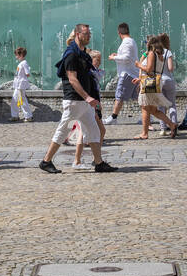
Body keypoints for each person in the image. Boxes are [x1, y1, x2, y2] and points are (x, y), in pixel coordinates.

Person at [40, 23, 117, 173]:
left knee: (94, 130)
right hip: (74, 100)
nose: (88, 36)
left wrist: (90, 100)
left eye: (89, 34)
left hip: (84, 103)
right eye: (86, 34)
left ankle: (99, 162)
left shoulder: (83, 54)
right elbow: (72, 79)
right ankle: (46, 161)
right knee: (63, 130)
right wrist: (88, 97)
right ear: (77, 34)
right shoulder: (71, 54)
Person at [135, 36, 178, 139]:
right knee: (154, 110)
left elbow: (149, 69)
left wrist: (138, 65)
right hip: (155, 82)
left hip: (148, 83)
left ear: (150, 44)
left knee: (145, 107)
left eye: (147, 42)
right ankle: (172, 125)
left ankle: (144, 133)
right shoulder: (160, 55)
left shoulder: (151, 54)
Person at [72, 50, 106, 167]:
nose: (99, 63)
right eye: (98, 60)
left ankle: (88, 159)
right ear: (91, 60)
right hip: (90, 105)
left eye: (100, 60)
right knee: (97, 131)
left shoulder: (91, 72)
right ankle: (94, 159)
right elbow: (91, 91)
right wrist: (96, 105)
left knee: (86, 132)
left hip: (90, 104)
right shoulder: (90, 73)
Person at [104, 22, 140, 124]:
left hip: (127, 74)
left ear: (119, 33)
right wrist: (118, 54)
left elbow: (126, 58)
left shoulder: (126, 42)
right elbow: (127, 56)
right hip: (132, 73)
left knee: (119, 96)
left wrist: (113, 57)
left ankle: (113, 118)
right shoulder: (131, 41)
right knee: (137, 97)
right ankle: (148, 117)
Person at [158, 32, 178, 131]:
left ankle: (163, 128)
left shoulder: (156, 52)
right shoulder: (168, 52)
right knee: (171, 105)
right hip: (169, 80)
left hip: (159, 81)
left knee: (161, 106)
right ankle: (173, 125)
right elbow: (170, 68)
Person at [10, 46, 34, 121]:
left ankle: (28, 116)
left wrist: (24, 75)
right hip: (18, 85)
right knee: (14, 99)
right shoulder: (21, 63)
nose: (16, 57)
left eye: (16, 55)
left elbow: (27, 73)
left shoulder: (24, 63)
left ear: (21, 55)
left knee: (22, 100)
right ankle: (15, 115)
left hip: (20, 85)